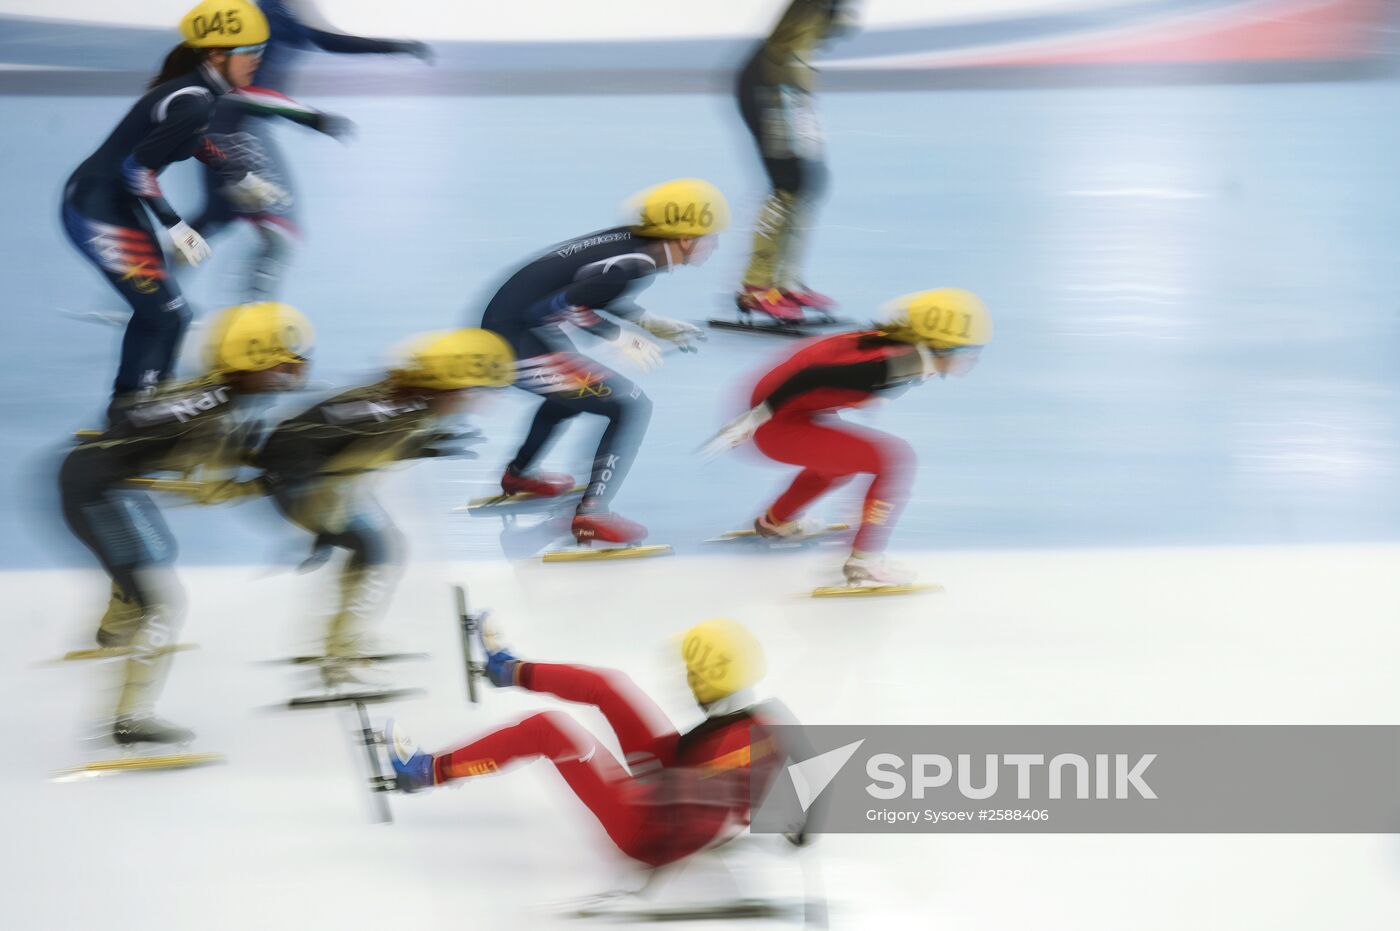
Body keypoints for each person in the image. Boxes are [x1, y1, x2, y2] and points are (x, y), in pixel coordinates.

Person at [58, 301, 313, 745]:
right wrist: (265, 483)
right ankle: (130, 719)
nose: (291, 373)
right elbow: (209, 492)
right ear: (252, 360)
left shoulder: (213, 390)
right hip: (98, 490)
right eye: (282, 364)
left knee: (154, 553)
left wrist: (244, 457)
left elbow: (164, 433)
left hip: (95, 478)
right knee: (162, 605)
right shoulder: (219, 415)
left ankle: (113, 630)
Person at [387, 618, 808, 867]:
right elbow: (815, 785)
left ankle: (425, 772)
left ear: (710, 678)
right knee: (610, 686)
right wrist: (796, 828)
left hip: (647, 828)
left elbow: (707, 797)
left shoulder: (742, 744)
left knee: (547, 730)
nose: (687, 680)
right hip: (675, 782)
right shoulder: (769, 718)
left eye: (692, 674)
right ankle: (507, 670)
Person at [61, 1, 296, 407]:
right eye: (249, 51)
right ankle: (134, 409)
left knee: (169, 314)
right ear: (217, 55)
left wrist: (240, 176)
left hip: (114, 204)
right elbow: (137, 170)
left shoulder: (200, 93)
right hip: (96, 207)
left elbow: (192, 141)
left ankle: (147, 401)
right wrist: (178, 227)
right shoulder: (195, 99)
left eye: (261, 49)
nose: (257, 59)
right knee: (165, 314)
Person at [254, 329, 512, 686]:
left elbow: (336, 440)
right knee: (379, 552)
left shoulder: (397, 396)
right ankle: (340, 653)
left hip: (300, 475)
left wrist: (418, 444)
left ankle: (342, 638)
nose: (471, 402)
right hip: (305, 483)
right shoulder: (402, 416)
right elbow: (350, 464)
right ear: (444, 388)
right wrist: (324, 527)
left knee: (372, 548)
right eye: (468, 392)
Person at [477, 178, 723, 546]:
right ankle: (591, 514)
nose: (714, 246)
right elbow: (563, 304)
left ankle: (520, 475)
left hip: (515, 326)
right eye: (710, 237)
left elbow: (594, 289)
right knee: (629, 405)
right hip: (512, 337)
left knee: (572, 395)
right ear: (685, 238)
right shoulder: (637, 262)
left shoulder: (636, 247)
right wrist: (618, 336)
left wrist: (650, 323)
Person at [702, 289, 991, 586]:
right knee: (892, 461)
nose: (973, 359)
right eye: (968, 351)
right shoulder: (888, 363)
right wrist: (753, 420)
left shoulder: (901, 350)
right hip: (774, 420)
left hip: (789, 410)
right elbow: (809, 376)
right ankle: (864, 561)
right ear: (939, 346)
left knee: (840, 465)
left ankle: (776, 522)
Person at [190, 0, 432, 299]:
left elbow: (323, 39)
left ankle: (151, 286)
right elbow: (243, 83)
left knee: (218, 215)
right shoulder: (269, 11)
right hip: (240, 124)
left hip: (224, 122)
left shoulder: (276, 9)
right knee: (280, 229)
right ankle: (250, 313)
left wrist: (394, 47)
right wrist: (311, 118)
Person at [734, 0, 860, 323]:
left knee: (811, 183)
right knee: (787, 182)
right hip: (766, 86)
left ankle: (784, 283)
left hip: (791, 90)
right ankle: (755, 286)